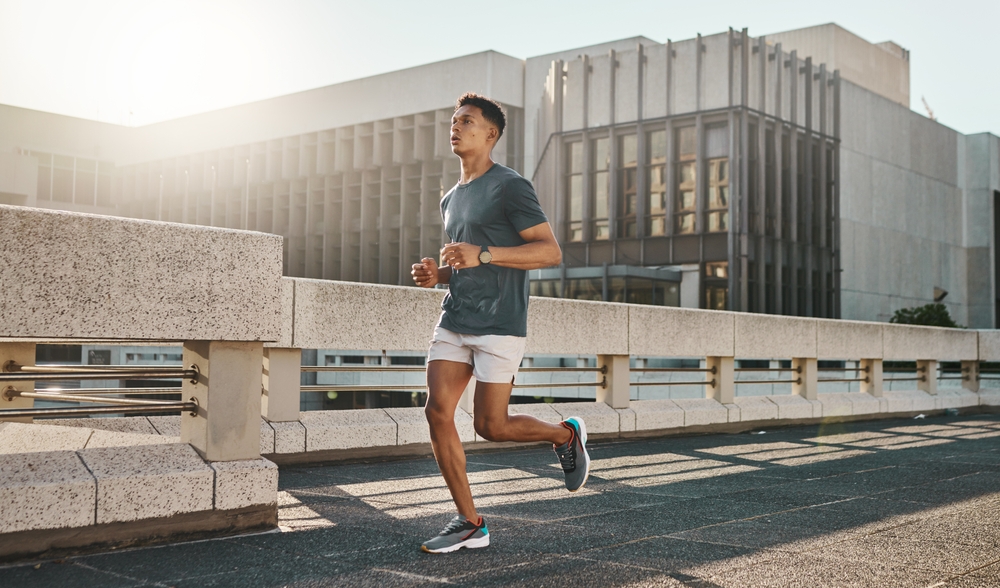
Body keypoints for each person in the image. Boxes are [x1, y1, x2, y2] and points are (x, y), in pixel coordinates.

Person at [411, 93, 590, 554]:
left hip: (500, 323)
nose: (456, 127)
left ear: (490, 133)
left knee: (492, 425)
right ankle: (471, 522)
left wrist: (484, 253)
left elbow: (549, 252)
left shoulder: (511, 186)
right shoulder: (450, 197)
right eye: (454, 120)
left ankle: (564, 434)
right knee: (437, 411)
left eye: (466, 121)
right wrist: (440, 274)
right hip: (455, 317)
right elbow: (467, 262)